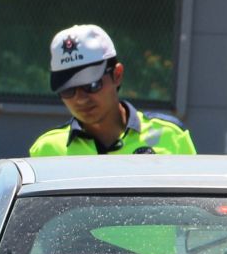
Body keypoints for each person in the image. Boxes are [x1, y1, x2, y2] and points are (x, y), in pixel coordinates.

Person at [29, 24, 197, 157]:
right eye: (68, 90)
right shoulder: (46, 150)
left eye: (91, 85)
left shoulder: (171, 136)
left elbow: (194, 198)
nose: (80, 99)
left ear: (117, 75)